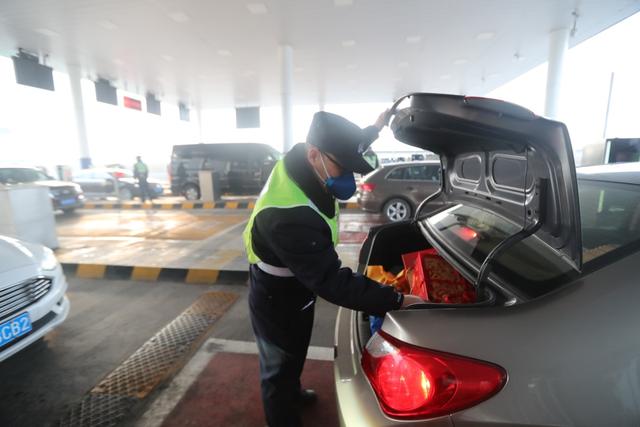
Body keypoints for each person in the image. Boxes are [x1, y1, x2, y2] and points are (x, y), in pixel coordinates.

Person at [243, 111, 423, 427]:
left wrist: (376, 127)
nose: (349, 178)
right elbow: (331, 280)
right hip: (276, 296)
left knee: (296, 347)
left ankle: (293, 391)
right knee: (277, 364)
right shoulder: (289, 215)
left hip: (298, 283)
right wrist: (396, 300)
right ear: (314, 154)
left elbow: (350, 146)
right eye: (343, 167)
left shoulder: (303, 159)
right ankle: (283, 414)